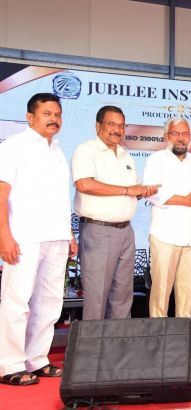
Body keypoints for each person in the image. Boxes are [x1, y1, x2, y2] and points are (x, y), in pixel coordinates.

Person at [0, 93, 77, 385]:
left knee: (49, 302)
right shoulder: (13, 146)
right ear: (30, 117)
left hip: (56, 237)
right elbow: (2, 193)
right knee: (17, 301)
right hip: (24, 237)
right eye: (47, 114)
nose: (53, 119)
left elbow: (59, 198)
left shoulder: (57, 150)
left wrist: (68, 233)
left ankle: (37, 359)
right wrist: (3, 235)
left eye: (57, 114)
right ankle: (9, 364)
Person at [72, 105, 158, 321]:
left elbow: (132, 191)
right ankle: (93, 343)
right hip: (98, 231)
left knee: (122, 295)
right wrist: (128, 190)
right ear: (97, 126)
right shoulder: (86, 150)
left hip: (125, 232)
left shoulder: (125, 155)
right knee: (97, 297)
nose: (117, 130)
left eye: (121, 125)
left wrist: (144, 191)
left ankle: (118, 342)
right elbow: (84, 184)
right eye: (111, 124)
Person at [143, 117, 191, 320]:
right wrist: (186, 199)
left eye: (185, 134)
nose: (181, 138)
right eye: (176, 133)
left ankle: (185, 337)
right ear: (166, 136)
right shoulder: (156, 160)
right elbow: (152, 192)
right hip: (164, 235)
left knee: (188, 293)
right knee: (161, 292)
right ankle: (158, 337)